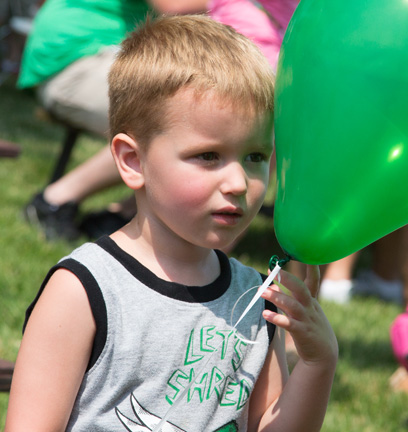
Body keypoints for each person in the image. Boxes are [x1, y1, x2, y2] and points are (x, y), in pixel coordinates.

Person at [6, 15, 337, 431]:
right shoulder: (84, 290)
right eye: (208, 156)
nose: (238, 182)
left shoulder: (256, 301)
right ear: (133, 161)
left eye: (255, 156)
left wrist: (316, 363)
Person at [20, 0, 208, 242]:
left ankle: (125, 215)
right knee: (170, 118)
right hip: (75, 57)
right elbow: (174, 4)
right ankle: (54, 200)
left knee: (192, 116)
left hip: (105, 51)